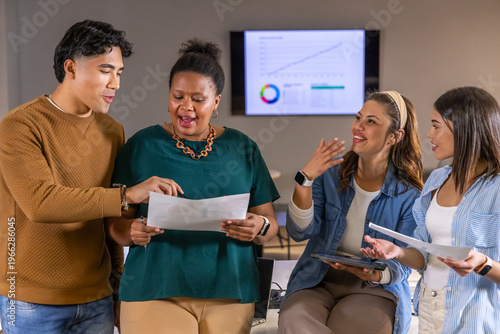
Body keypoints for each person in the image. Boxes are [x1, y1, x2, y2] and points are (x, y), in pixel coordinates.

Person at [0, 20, 176, 334]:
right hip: (29, 300)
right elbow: (40, 204)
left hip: (97, 299)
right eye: (106, 70)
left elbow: (109, 220)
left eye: (119, 72)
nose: (116, 83)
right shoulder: (20, 126)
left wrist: (119, 290)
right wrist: (128, 195)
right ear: (71, 68)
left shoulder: (112, 131)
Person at [106, 39, 280, 334]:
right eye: (178, 96)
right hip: (154, 288)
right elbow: (116, 226)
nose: (186, 106)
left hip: (231, 291)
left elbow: (270, 225)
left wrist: (259, 226)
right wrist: (131, 232)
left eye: (198, 99)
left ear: (216, 102)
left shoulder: (243, 148)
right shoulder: (142, 145)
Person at [278, 91, 423, 334]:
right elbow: (300, 232)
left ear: (395, 136)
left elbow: (405, 262)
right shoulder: (330, 172)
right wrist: (305, 180)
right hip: (318, 279)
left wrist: (376, 275)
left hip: (373, 287)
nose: (358, 126)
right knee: (295, 322)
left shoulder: (409, 195)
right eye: (359, 117)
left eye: (371, 121)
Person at [361, 86, 500, 333]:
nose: (429, 134)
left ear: (463, 128)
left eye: (436, 126)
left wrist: (483, 263)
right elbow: (423, 256)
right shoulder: (437, 180)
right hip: (428, 306)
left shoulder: (496, 188)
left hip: (474, 316)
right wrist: (397, 252)